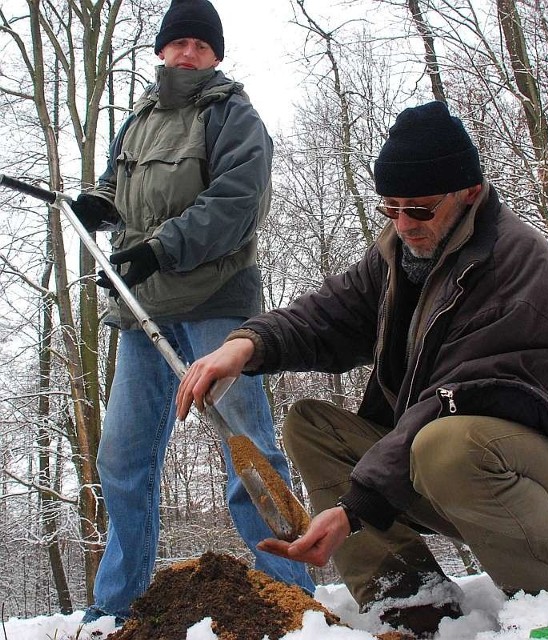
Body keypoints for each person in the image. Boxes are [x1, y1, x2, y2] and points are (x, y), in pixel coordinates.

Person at [176, 101, 548, 637]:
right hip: (444, 459)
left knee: (446, 443)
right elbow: (328, 316)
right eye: (389, 209)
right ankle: (409, 595)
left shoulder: (521, 270)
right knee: (311, 423)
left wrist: (355, 507)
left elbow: (456, 397)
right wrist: (244, 346)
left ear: (469, 193)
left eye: (418, 209)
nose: (403, 225)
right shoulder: (401, 253)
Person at [70, 0, 314, 624]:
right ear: (161, 50)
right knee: (121, 459)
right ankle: (116, 607)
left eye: (199, 46)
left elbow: (236, 203)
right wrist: (96, 205)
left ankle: (292, 597)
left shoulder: (234, 114)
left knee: (245, 447)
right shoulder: (137, 122)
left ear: (215, 55)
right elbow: (115, 189)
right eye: (177, 42)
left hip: (217, 308)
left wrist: (160, 248)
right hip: (142, 314)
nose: (187, 53)